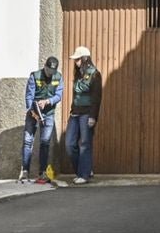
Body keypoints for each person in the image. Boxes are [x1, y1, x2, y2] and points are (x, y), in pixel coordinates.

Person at [20, 54, 63, 183]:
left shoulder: (59, 77)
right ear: (45, 67)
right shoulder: (35, 76)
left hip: (48, 114)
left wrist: (47, 101)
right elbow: (29, 96)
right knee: (28, 141)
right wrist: (32, 110)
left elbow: (58, 95)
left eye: (53, 71)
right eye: (49, 70)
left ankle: (42, 172)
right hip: (34, 112)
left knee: (45, 143)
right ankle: (25, 171)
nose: (50, 73)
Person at [66, 46, 103, 183]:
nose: (75, 62)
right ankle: (84, 170)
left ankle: (84, 175)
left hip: (87, 114)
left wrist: (93, 116)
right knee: (69, 144)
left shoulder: (94, 74)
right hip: (75, 114)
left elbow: (97, 97)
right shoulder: (78, 74)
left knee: (85, 144)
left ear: (85, 58)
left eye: (77, 59)